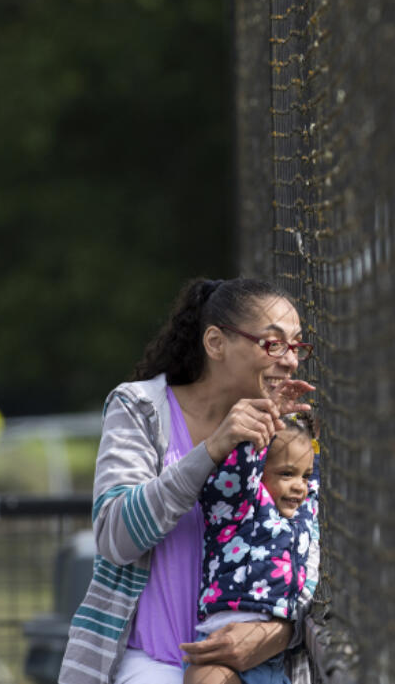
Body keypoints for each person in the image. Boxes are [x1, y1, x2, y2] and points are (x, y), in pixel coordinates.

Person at [59, 277, 318, 684]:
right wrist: (213, 449)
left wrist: (276, 633)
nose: (290, 360)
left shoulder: (287, 431)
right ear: (215, 343)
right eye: (273, 343)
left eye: (297, 345)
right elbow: (115, 536)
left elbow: (311, 553)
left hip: (255, 666)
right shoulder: (141, 408)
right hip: (149, 662)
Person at [185, 410, 320, 684]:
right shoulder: (243, 508)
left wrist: (310, 433)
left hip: (272, 659)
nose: (299, 486)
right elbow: (237, 473)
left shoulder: (304, 517)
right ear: (260, 473)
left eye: (304, 477)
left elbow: (312, 476)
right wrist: (267, 418)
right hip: (220, 641)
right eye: (286, 474)